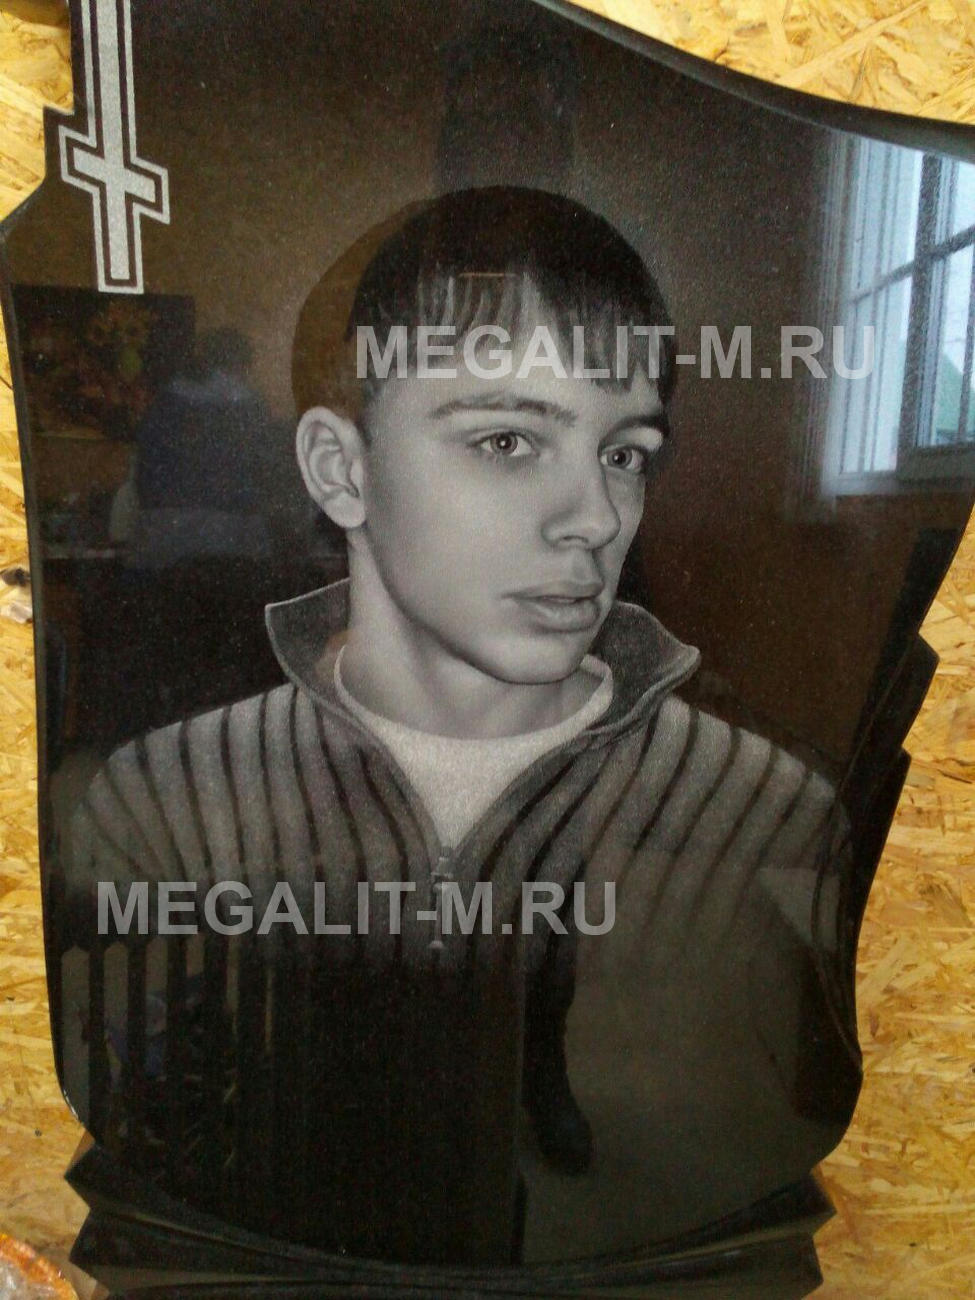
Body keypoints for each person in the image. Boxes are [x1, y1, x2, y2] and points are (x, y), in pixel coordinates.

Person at [62, 188, 857, 1265]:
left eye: (625, 453)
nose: (595, 519)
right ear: (343, 471)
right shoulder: (164, 798)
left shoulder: (763, 813)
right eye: (508, 439)